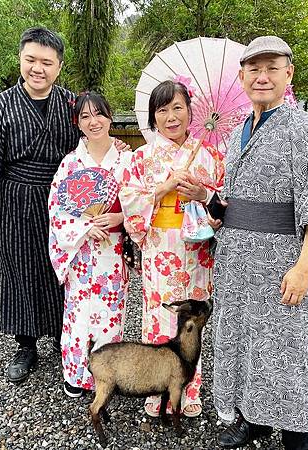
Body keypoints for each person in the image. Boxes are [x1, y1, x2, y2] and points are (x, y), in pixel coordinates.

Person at [210, 36, 308, 450]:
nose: (262, 77)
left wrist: (304, 267)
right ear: (242, 76)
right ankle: (252, 419)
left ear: (289, 74)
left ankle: (299, 434)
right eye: (254, 69)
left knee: (287, 348)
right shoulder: (235, 133)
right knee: (241, 340)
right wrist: (212, 203)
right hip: (234, 259)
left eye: (272, 68)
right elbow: (234, 198)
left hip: (281, 258)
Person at [0, 28, 81, 383]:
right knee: (19, 270)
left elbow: (91, 148)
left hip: (62, 202)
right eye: (31, 60)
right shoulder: (1, 106)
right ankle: (26, 344)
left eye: (46, 62)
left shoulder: (72, 105)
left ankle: (62, 335)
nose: (37, 68)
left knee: (63, 269)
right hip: (16, 198)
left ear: (59, 66)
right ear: (20, 59)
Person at [120, 80, 224, 418]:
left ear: (190, 111)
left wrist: (203, 199)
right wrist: (164, 187)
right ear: (153, 117)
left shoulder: (209, 156)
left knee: (191, 321)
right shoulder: (142, 158)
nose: (170, 117)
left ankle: (189, 386)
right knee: (158, 318)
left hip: (195, 249)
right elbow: (129, 200)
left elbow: (221, 201)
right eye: (161, 110)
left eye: (177, 107)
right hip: (161, 248)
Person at [48, 92, 131, 398]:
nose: (93, 122)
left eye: (99, 114)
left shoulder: (126, 158)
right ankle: (76, 374)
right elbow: (56, 207)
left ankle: (106, 375)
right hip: (80, 254)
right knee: (78, 316)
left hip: (112, 250)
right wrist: (83, 226)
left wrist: (120, 216)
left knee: (110, 316)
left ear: (110, 117)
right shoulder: (71, 162)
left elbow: (140, 202)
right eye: (85, 116)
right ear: (77, 123)